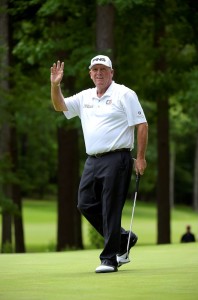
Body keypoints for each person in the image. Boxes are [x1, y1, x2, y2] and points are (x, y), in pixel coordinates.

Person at [50, 55, 148, 273]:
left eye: (103, 69)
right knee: (84, 203)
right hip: (92, 161)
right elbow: (60, 106)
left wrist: (140, 157)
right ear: (90, 73)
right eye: (95, 70)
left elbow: (142, 124)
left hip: (117, 158)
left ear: (111, 73)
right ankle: (124, 238)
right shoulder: (86, 96)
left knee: (110, 208)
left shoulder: (124, 94)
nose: (99, 73)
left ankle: (110, 259)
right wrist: (55, 85)